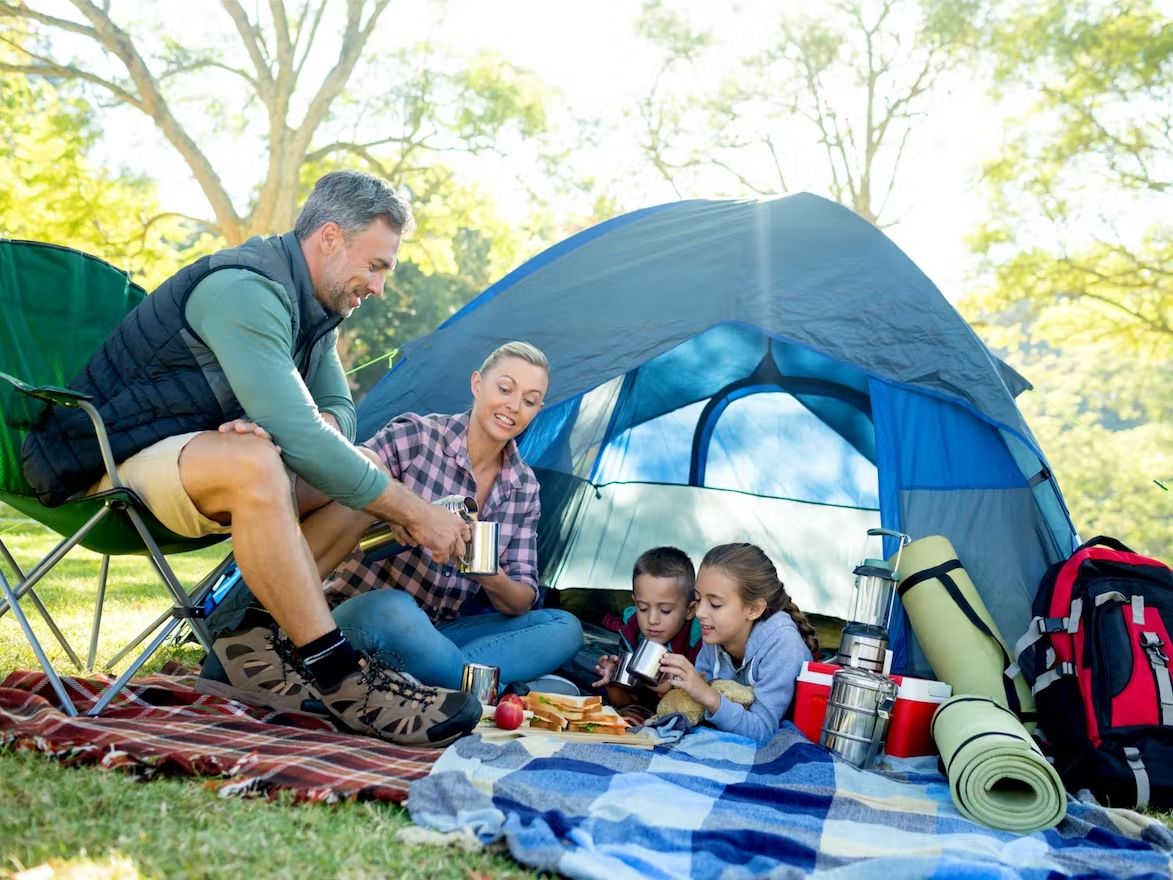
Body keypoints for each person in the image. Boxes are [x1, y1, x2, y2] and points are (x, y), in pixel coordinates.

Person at [22, 171, 481, 747]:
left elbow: (338, 414)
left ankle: (251, 638)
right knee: (261, 463)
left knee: (359, 467)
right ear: (331, 238)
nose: (381, 286)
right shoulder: (245, 289)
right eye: (377, 265)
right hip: (108, 463)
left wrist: (288, 427)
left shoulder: (313, 312)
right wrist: (414, 511)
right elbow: (307, 437)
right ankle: (339, 676)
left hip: (192, 459)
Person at [321, 342, 584, 690]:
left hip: (440, 632)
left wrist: (483, 568)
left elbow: (522, 598)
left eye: (530, 400)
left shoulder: (523, 487)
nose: (513, 406)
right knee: (397, 609)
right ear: (477, 383)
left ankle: (429, 681)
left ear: (538, 410)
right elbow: (353, 466)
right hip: (364, 613)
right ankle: (485, 690)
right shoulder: (419, 435)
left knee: (564, 627)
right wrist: (407, 511)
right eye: (505, 389)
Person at [658, 543, 819, 743]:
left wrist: (706, 694)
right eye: (698, 599)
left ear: (754, 609)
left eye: (715, 604)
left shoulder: (782, 644)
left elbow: (763, 729)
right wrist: (676, 687)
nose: (700, 613)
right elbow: (696, 706)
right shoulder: (715, 633)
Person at [592, 546, 699, 722]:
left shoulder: (698, 644)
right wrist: (613, 682)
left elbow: (704, 705)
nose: (652, 619)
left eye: (665, 610)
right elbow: (626, 702)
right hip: (642, 710)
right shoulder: (632, 634)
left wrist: (671, 690)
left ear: (690, 610)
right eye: (643, 608)